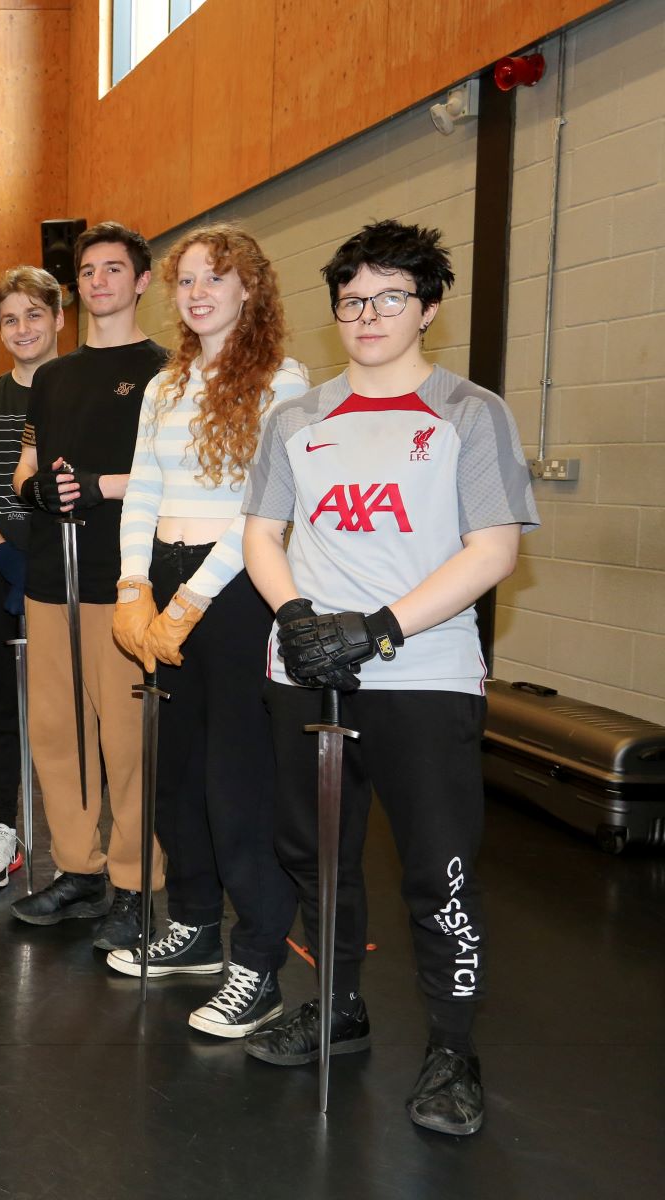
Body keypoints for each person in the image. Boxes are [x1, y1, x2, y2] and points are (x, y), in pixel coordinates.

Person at [241, 220, 535, 1137]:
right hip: (307, 671)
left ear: (428, 308)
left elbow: (493, 548)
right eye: (353, 299)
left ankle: (453, 1048)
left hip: (424, 673)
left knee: (437, 866)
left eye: (390, 298)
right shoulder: (296, 417)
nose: (369, 314)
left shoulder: (470, 412)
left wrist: (378, 630)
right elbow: (261, 533)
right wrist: (295, 616)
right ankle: (338, 1006)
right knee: (315, 855)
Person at [104, 225, 308, 1039]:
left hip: (236, 595)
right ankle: (191, 919)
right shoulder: (169, 381)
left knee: (237, 785)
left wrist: (189, 602)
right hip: (164, 579)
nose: (195, 293)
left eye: (212, 279)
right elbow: (144, 493)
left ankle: (257, 961)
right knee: (174, 772)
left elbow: (262, 512)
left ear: (248, 289)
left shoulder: (283, 381)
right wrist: (132, 589)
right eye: (184, 280)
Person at [9, 222, 168, 950]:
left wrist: (101, 488)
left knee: (130, 740)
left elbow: (182, 477)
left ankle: (137, 884)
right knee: (59, 731)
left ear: (140, 280)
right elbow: (26, 469)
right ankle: (80, 869)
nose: (99, 280)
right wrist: (42, 489)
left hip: (126, 580)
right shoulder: (52, 376)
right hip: (52, 581)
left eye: (114, 269)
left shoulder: (169, 373)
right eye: (88, 270)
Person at [0, 266, 66, 888]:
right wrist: (5, 557)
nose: (23, 328)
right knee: (0, 708)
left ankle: (81, 840)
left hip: (75, 577)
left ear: (58, 318)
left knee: (74, 713)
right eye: (10, 319)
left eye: (34, 315)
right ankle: (7, 827)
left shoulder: (83, 388)